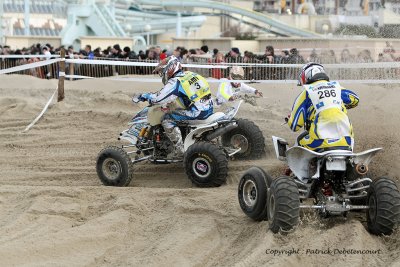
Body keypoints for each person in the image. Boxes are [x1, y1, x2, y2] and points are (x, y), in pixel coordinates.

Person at [138, 56, 213, 157]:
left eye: (162, 71)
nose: (162, 74)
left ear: (170, 68)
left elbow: (158, 98)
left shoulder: (175, 81)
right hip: (208, 107)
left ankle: (180, 150)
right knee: (177, 111)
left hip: (198, 112)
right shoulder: (190, 74)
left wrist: (145, 96)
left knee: (167, 119)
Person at [287, 62, 359, 151]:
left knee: (299, 142)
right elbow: (355, 99)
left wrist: (289, 119)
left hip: (319, 142)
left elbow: (294, 126)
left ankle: (296, 165)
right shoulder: (337, 88)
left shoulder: (306, 93)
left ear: (306, 77)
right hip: (346, 140)